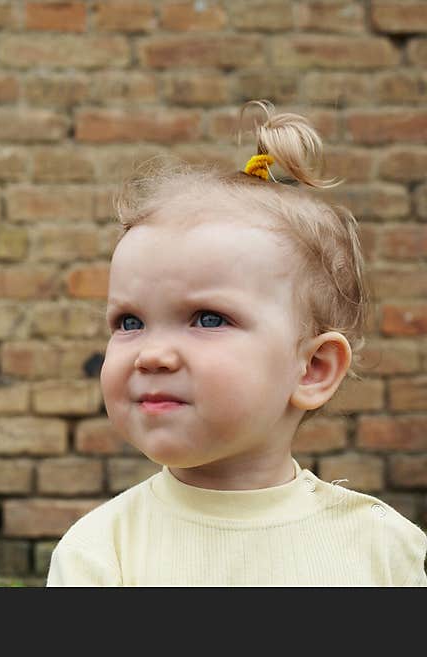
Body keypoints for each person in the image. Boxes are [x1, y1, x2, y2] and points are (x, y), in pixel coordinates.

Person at [46, 100, 427, 586]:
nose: (152, 354)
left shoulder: (382, 546)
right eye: (129, 322)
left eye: (207, 319)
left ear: (312, 369)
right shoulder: (100, 553)